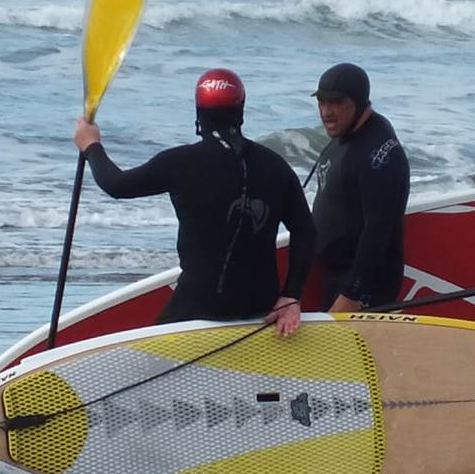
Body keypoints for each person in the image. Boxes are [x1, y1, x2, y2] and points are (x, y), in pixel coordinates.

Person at [72, 69, 315, 336]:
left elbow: (116, 184)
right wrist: (291, 296)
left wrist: (90, 145)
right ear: (241, 111)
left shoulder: (180, 163)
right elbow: (306, 231)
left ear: (200, 113)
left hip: (198, 307)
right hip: (260, 308)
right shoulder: (275, 165)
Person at [309, 62, 409, 311]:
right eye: (321, 102)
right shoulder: (348, 133)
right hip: (335, 274)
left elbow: (379, 231)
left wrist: (351, 294)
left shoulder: (380, 156)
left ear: (358, 102)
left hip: (361, 288)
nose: (326, 112)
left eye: (335, 102)